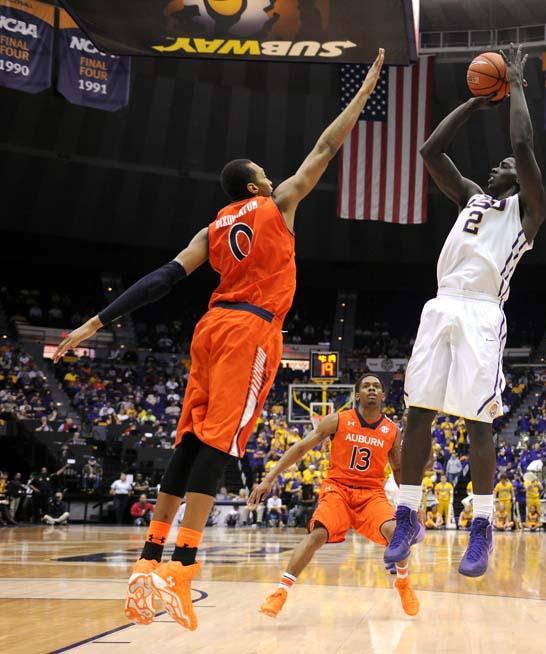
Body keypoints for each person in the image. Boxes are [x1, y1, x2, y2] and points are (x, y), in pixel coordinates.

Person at [52, 49, 385, 632]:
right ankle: (182, 569)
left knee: (188, 440)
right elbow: (327, 147)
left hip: (207, 329)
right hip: (250, 330)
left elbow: (161, 280)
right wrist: (365, 92)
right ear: (256, 181)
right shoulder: (277, 202)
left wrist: (96, 322)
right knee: (220, 444)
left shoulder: (212, 229)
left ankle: (147, 563)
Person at [385, 44, 546, 578]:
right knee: (419, 412)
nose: (501, 164)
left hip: (481, 311)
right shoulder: (473, 197)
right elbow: (431, 152)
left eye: (510, 167)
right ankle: (406, 513)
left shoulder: (529, 212)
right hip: (440, 306)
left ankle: (481, 527)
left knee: (478, 420)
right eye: (497, 163)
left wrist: (515, 85)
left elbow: (522, 144)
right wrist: (477, 102)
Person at [249, 374, 421, 619]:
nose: (371, 389)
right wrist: (269, 478)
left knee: (396, 532)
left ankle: (403, 584)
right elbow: (300, 448)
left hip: (371, 494)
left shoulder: (391, 431)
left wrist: (413, 503)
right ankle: (280, 591)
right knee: (317, 534)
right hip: (337, 489)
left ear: (383, 396)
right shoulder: (337, 421)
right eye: (366, 386)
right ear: (357, 394)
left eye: (376, 387)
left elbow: (399, 470)